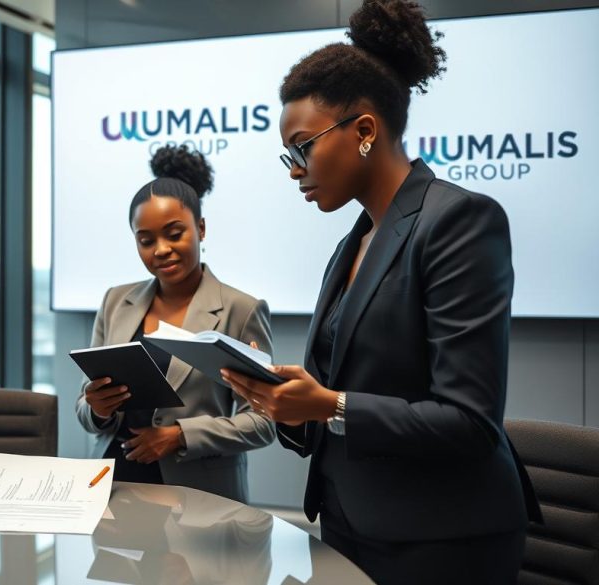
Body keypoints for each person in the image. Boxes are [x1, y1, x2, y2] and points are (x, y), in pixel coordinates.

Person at [219, 1, 541, 583]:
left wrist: (329, 404)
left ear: (364, 130)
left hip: (444, 537)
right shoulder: (353, 243)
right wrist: (285, 406)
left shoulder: (460, 221)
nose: (294, 168)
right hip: (348, 522)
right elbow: (334, 397)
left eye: (302, 146)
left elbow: (469, 423)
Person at [75, 145, 275, 503]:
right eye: (146, 240)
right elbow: (85, 409)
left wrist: (180, 435)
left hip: (199, 499)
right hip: (111, 493)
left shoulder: (241, 309)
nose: (161, 249)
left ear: (200, 228)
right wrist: (97, 409)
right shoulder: (115, 302)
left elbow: (263, 423)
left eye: (174, 233)